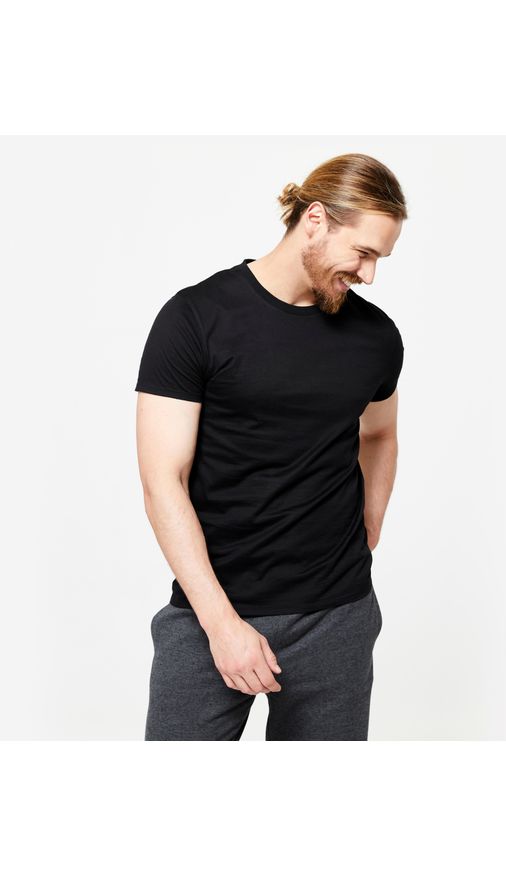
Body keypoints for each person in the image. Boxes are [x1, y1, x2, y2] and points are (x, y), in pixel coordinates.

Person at [135, 152, 407, 740]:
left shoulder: (376, 337)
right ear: (316, 219)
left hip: (338, 616)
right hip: (209, 614)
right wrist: (221, 624)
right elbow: (162, 481)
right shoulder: (195, 317)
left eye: (379, 260)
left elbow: (379, 432)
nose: (369, 274)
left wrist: (369, 524)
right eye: (363, 253)